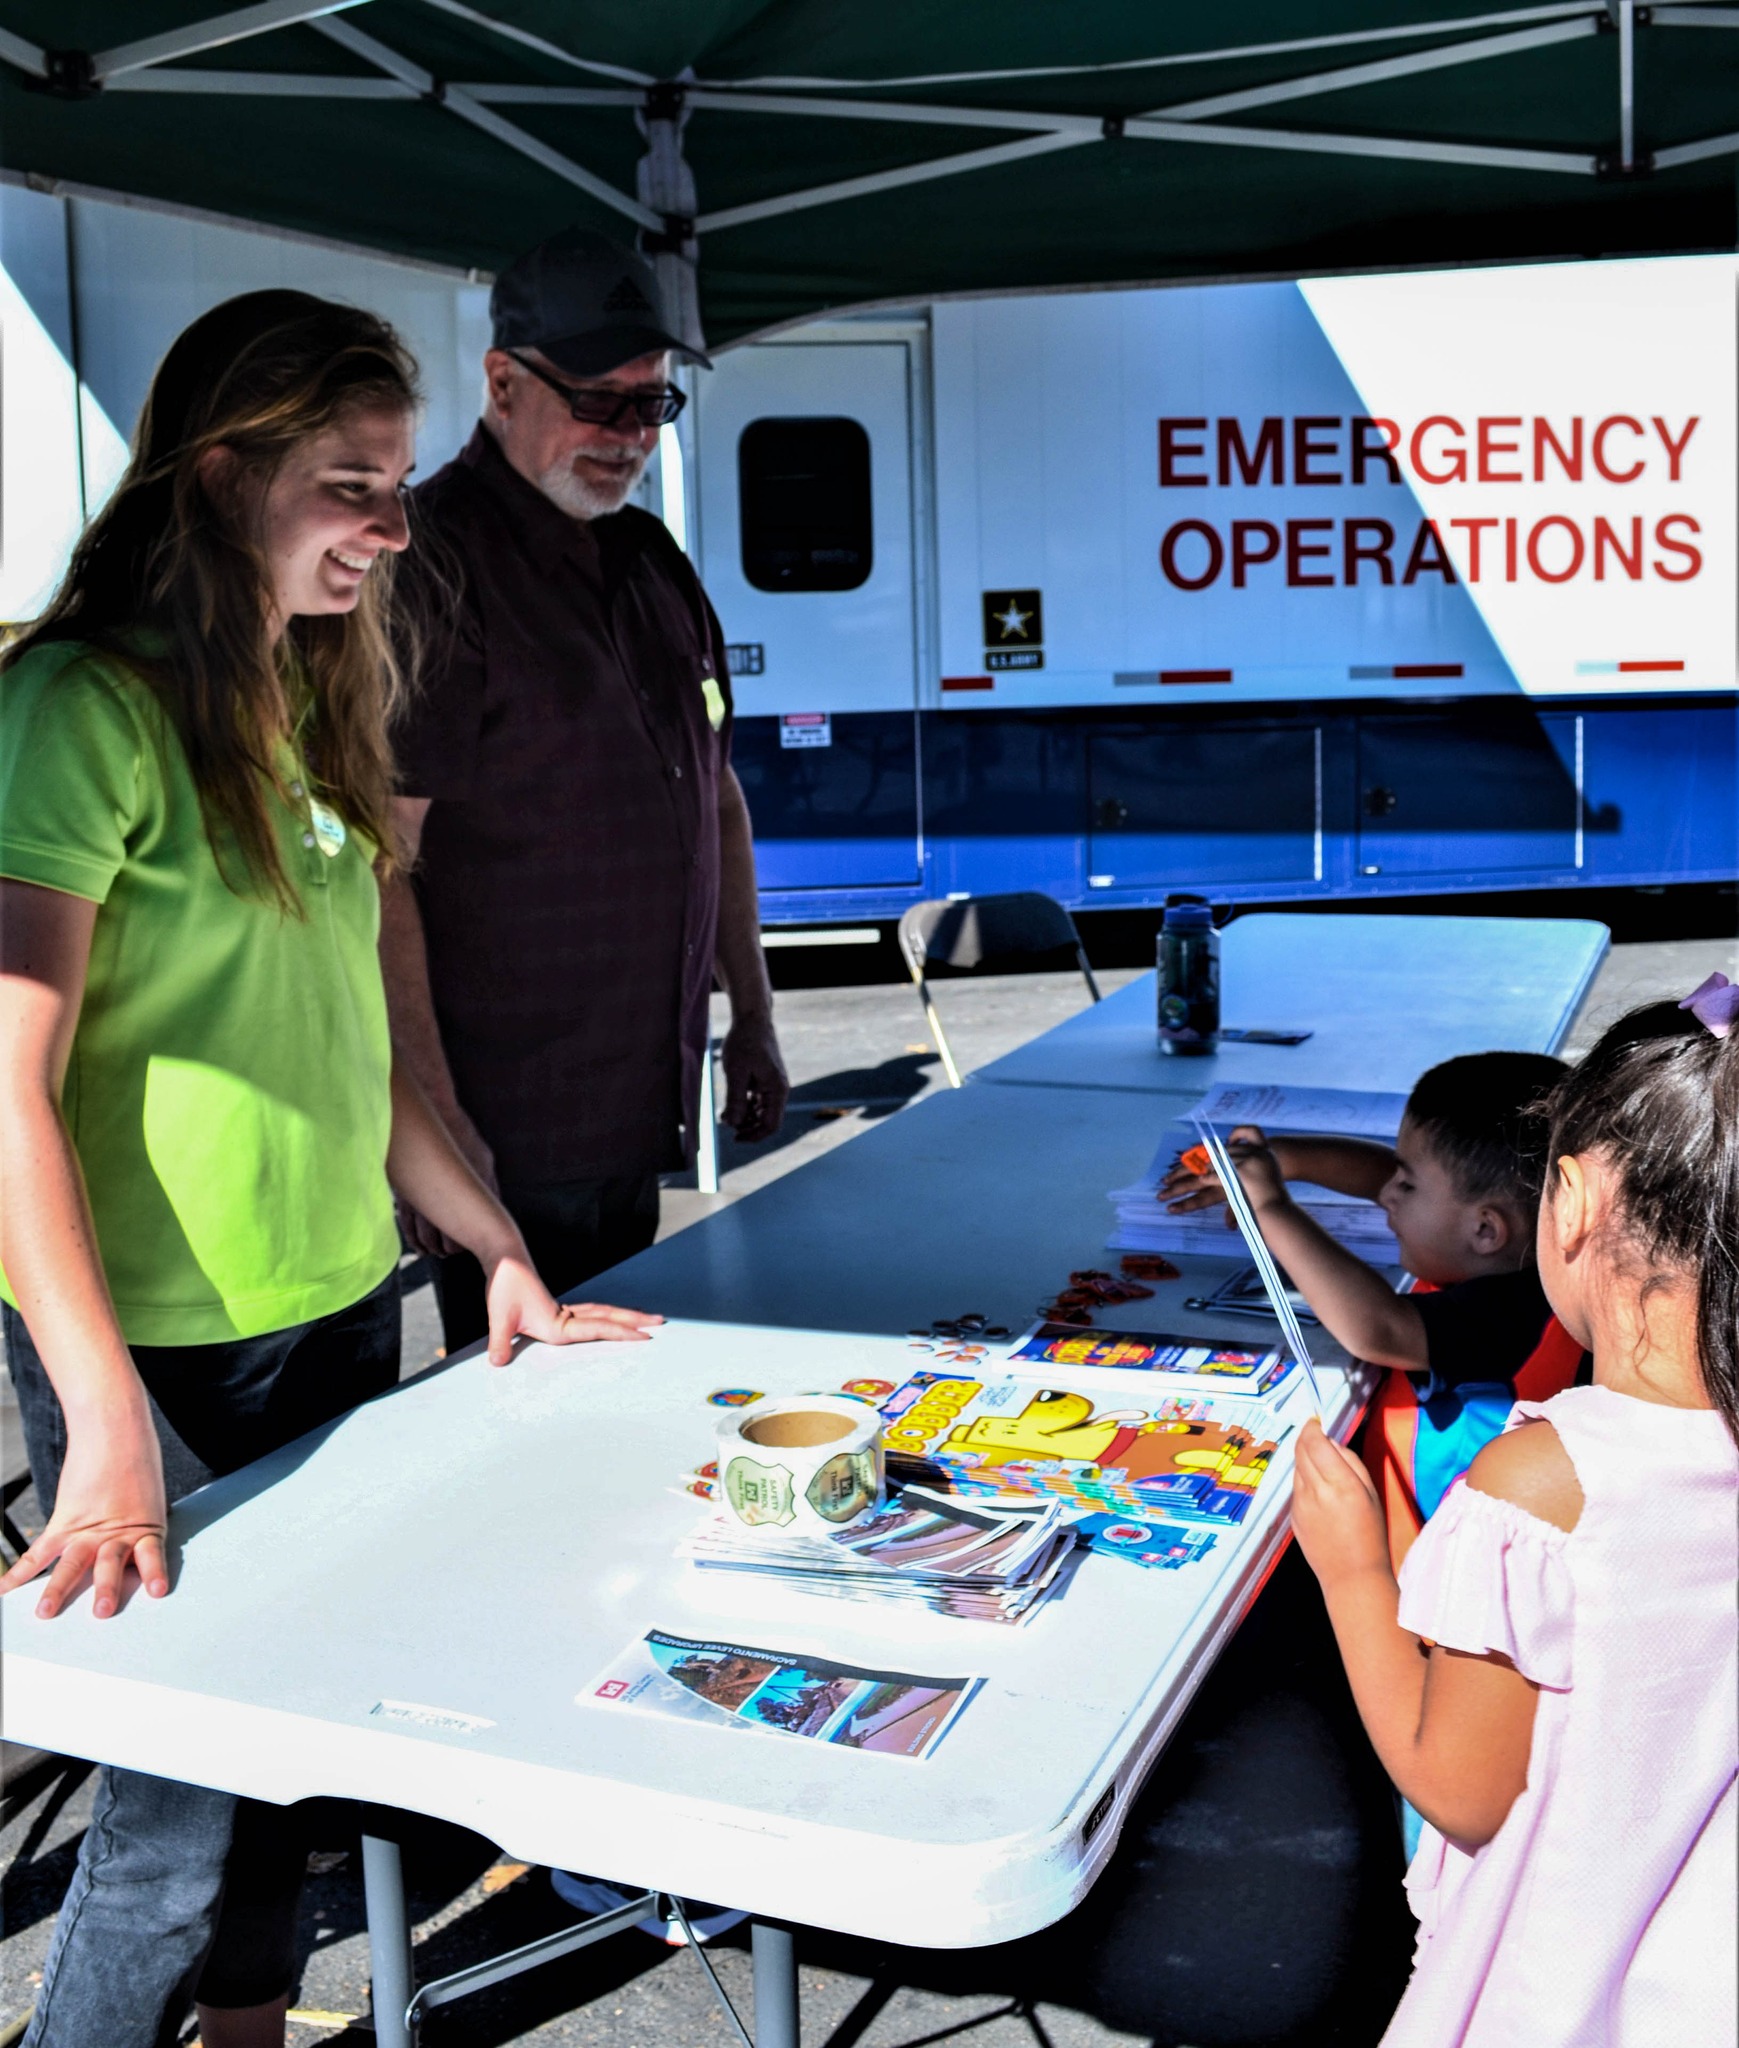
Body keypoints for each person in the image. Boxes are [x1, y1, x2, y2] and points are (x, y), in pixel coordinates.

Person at [0, 290, 658, 2048]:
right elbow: (7, 1087)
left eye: (392, 486)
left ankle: (251, 2034)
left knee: (298, 1758)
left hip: (335, 1308)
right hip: (154, 1348)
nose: (390, 523)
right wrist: (107, 1416)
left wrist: (497, 1254)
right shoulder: (79, 707)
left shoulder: (305, 699)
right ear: (221, 479)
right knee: (169, 1809)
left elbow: (361, 1065)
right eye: (349, 485)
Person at [1287, 997, 1737, 2046]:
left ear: (1568, 1199)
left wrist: (1353, 1570)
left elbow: (1460, 1790)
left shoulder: (1537, 1482)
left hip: (1546, 1986)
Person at [383, 226, 789, 1357]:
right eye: (596, 402)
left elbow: (715, 799)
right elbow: (380, 865)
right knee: (532, 1436)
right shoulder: (434, 567)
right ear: (502, 381)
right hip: (507, 1130)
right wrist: (440, 1120)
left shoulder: (653, 562)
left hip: (633, 1107)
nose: (625, 438)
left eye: (648, 407)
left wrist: (751, 1011)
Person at [1161, 1051, 1581, 1573]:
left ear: (1486, 1231)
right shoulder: (1540, 1260)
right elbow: (1385, 1173)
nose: (1385, 1194)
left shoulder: (1508, 1314)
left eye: (1407, 1185)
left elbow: (1376, 1328)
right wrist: (1284, 1158)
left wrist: (1270, 1206)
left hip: (1440, 1583)